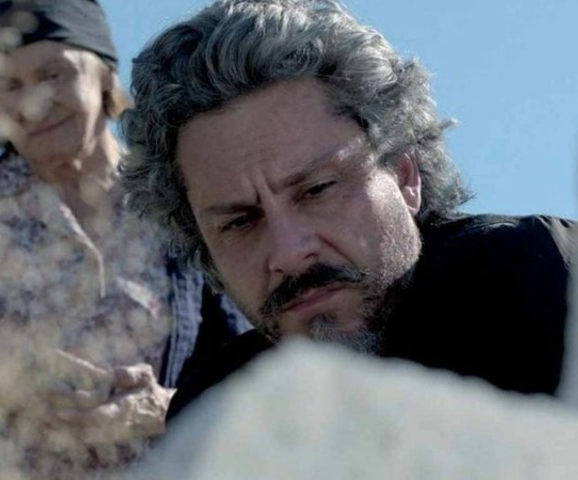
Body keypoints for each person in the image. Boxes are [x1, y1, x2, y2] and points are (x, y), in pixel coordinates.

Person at [118, 0, 577, 423]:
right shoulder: (221, 410)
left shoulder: (540, 277)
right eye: (240, 222)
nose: (290, 252)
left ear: (404, 174)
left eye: (317, 190)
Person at [0, 0, 249, 477]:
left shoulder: (180, 203)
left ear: (105, 74)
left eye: (53, 74)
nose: (33, 101)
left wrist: (162, 407)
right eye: (9, 85)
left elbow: (249, 380)